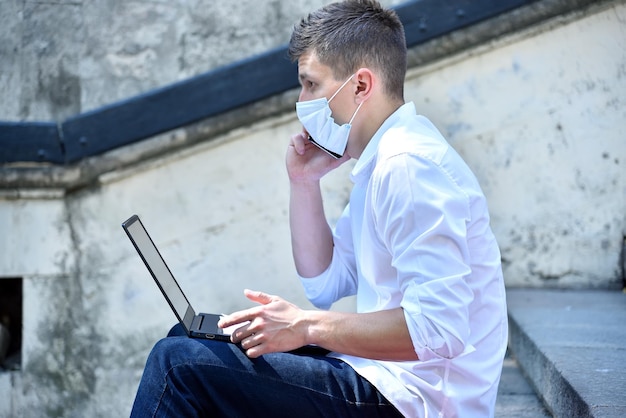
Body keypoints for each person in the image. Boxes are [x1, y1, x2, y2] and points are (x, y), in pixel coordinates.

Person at [130, 0, 508, 416]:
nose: (301, 99)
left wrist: (304, 326)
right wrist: (304, 183)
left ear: (361, 86)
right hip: (383, 377)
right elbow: (325, 281)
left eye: (311, 84)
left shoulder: (409, 165)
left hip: (419, 401)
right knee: (192, 343)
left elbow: (439, 329)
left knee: (179, 364)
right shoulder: (382, 161)